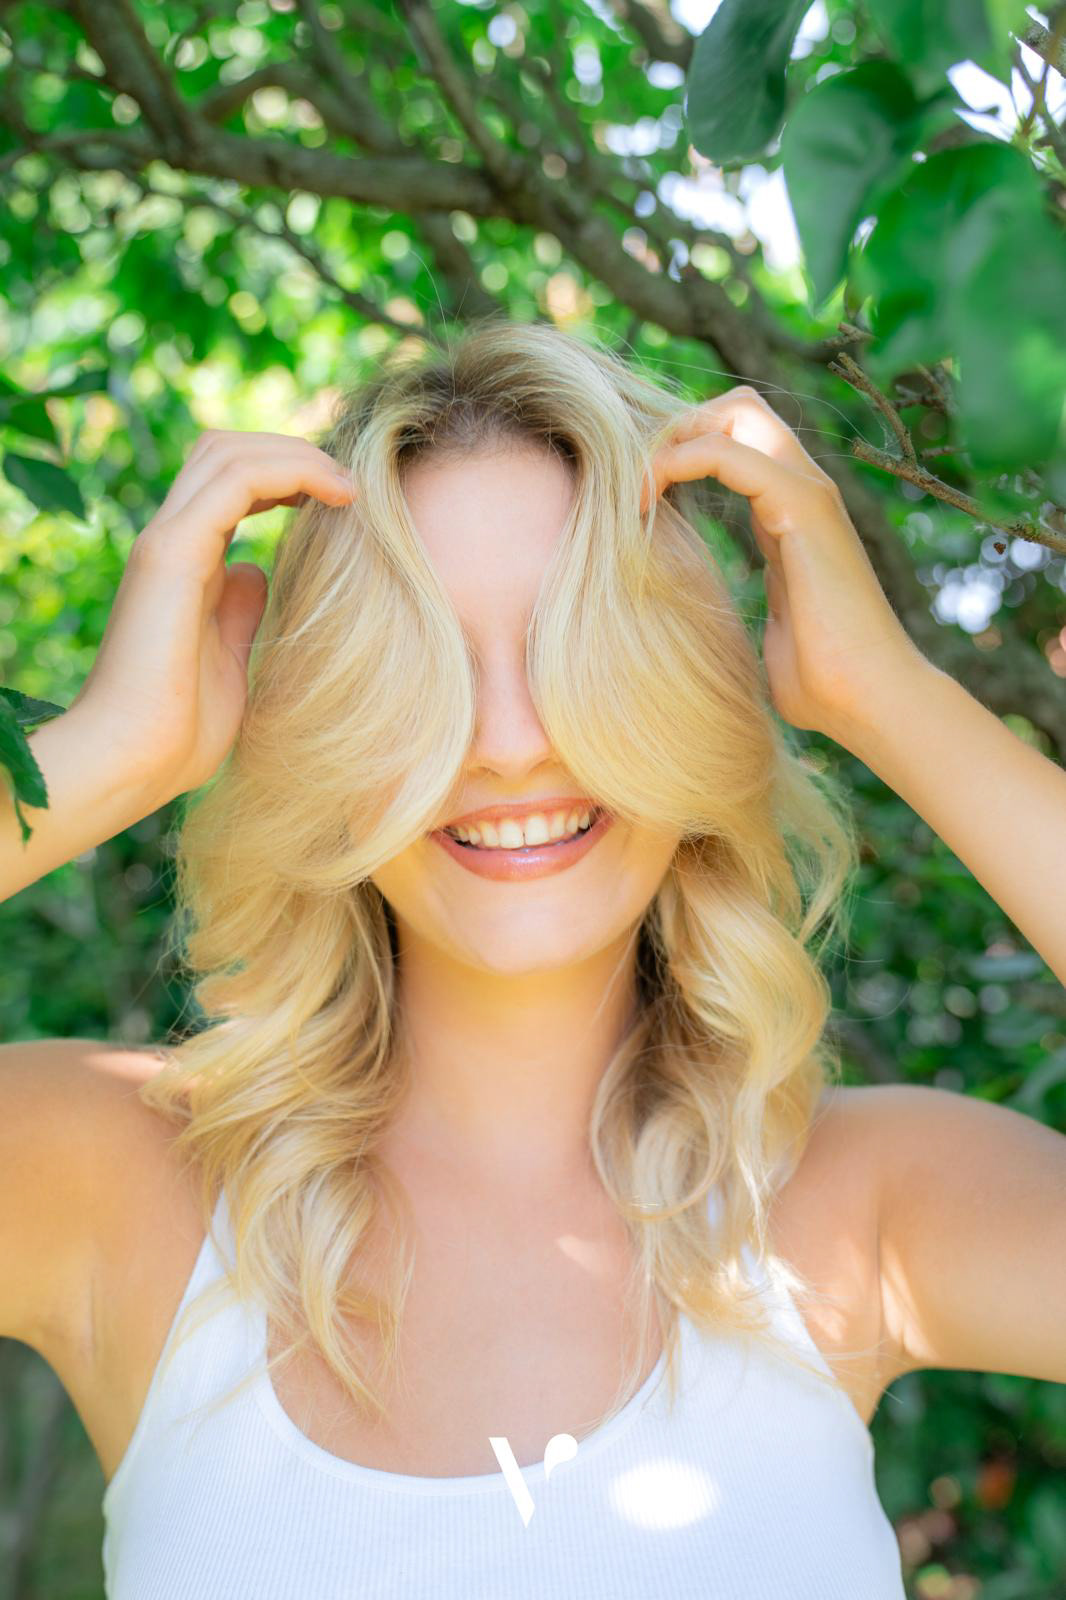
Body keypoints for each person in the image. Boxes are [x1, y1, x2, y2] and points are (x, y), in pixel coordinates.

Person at [2, 317, 1064, 1599]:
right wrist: (103, 753)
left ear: (684, 701)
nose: (508, 741)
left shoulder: (865, 1204)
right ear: (327, 735)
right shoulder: (114, 1183)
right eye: (421, 669)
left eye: (582, 648)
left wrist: (886, 692)